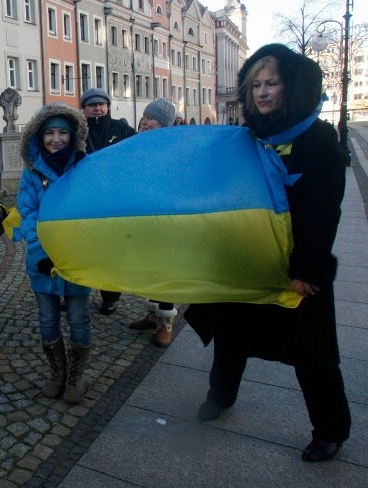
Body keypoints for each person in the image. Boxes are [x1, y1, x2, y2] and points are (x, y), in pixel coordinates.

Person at [184, 44, 350, 463]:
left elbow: (324, 207)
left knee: (313, 353)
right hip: (246, 260)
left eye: (271, 83)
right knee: (231, 334)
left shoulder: (318, 137)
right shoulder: (247, 138)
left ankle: (330, 430)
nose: (261, 92)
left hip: (296, 268)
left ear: (290, 86)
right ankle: (219, 396)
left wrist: (309, 266)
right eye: (255, 84)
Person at [15, 102, 92, 404]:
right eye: (50, 133)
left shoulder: (84, 165)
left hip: (77, 258)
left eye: (62, 132)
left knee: (78, 318)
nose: (56, 139)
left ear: (73, 136)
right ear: (39, 135)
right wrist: (40, 252)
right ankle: (56, 372)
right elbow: (28, 213)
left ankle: (76, 376)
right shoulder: (32, 171)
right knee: (47, 318)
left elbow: (91, 212)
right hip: (42, 260)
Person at [79, 87, 136, 315]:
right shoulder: (77, 132)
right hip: (85, 201)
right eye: (92, 105)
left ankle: (110, 297)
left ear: (108, 106)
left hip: (114, 201)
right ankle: (77, 292)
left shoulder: (120, 128)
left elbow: (140, 149)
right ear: (83, 109)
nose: (98, 108)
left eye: (101, 104)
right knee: (82, 249)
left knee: (111, 252)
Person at [127, 98, 179, 347]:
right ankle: (150, 314)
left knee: (166, 270)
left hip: (166, 220)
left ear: (165, 123)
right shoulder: (138, 144)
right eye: (145, 116)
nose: (145, 121)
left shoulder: (173, 149)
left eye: (151, 118)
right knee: (148, 267)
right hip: (143, 216)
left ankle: (166, 324)